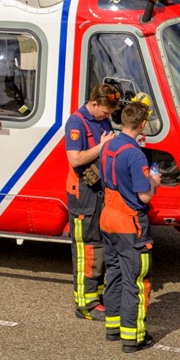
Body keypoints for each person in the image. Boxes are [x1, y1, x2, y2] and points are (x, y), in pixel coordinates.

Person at [98, 101, 160, 353]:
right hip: (129, 222)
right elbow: (144, 196)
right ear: (143, 124)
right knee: (136, 279)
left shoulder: (109, 145)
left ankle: (113, 328)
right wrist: (154, 182)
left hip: (108, 216)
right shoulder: (135, 154)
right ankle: (133, 338)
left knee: (113, 273)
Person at [65, 83, 121, 320]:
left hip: (98, 191)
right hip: (83, 196)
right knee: (86, 249)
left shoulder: (101, 120)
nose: (107, 117)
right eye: (105, 113)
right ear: (94, 103)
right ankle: (85, 305)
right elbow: (76, 159)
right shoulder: (76, 123)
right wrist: (102, 146)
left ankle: (96, 297)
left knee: (99, 248)